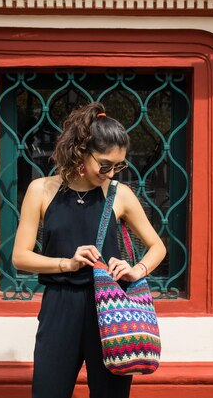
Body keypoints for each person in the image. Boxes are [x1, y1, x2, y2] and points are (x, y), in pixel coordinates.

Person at [12, 102, 166, 398]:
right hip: (60, 306)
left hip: (110, 308)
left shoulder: (120, 194)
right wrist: (67, 264)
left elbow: (156, 246)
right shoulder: (41, 190)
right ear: (81, 150)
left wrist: (136, 270)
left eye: (118, 165)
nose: (110, 173)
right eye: (104, 164)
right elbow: (20, 256)